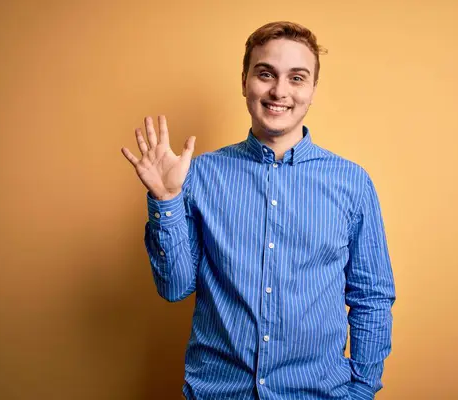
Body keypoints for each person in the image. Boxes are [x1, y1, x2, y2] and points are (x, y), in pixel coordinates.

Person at [121, 21, 396, 400]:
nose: (279, 90)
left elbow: (372, 297)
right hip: (217, 392)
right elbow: (174, 288)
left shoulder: (352, 183)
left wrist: (363, 389)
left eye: (297, 78)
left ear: (313, 89)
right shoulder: (198, 174)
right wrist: (166, 200)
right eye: (265, 73)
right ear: (245, 82)